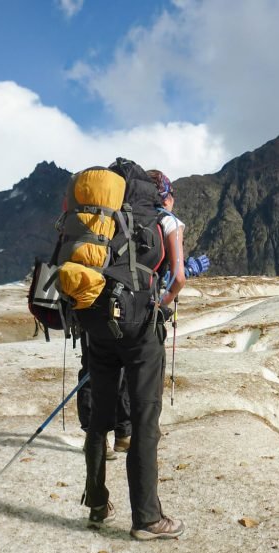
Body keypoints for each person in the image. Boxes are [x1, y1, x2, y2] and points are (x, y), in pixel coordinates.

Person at [82, 169, 194, 540]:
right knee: (146, 418)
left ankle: (97, 502)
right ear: (163, 194)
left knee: (100, 415)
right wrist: (160, 306)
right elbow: (178, 277)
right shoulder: (166, 219)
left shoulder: (103, 216)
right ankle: (147, 518)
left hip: (97, 324)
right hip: (140, 327)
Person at [75, 170, 209, 459]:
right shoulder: (163, 220)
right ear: (165, 196)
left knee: (94, 371)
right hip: (135, 312)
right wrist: (164, 301)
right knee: (129, 371)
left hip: (94, 303)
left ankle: (95, 441)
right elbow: (166, 274)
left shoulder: (114, 218)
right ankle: (125, 435)